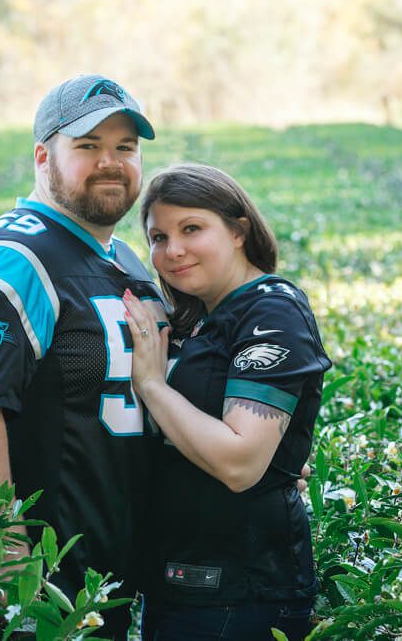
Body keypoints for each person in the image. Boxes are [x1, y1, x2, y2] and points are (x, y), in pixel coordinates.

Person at [0, 74, 166, 637]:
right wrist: (11, 570)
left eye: (125, 148)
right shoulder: (12, 260)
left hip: (101, 581)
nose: (111, 162)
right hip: (38, 593)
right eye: (88, 146)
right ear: (43, 156)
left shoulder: (124, 258)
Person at [122, 163, 332, 640]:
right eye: (157, 237)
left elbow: (239, 463)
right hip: (182, 586)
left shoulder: (271, 310)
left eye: (191, 229)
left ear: (239, 231)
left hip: (240, 595)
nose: (172, 251)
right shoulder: (199, 317)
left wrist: (153, 385)